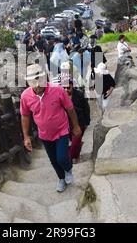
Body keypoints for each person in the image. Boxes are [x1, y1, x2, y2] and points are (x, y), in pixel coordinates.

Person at [20, 64, 82, 192]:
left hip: (61, 130)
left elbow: (70, 109)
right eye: (33, 82)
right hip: (44, 134)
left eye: (39, 81)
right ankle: (61, 178)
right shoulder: (25, 96)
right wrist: (26, 136)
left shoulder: (57, 90)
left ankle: (68, 168)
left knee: (61, 157)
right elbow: (25, 116)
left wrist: (76, 126)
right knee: (53, 160)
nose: (37, 86)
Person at [63, 79, 90, 164]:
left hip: (80, 122)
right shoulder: (61, 96)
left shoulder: (79, 95)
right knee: (74, 141)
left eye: (68, 88)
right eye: (64, 88)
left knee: (75, 141)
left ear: (72, 86)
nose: (66, 90)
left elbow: (86, 108)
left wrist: (87, 121)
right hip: (67, 123)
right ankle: (77, 155)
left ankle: (69, 158)